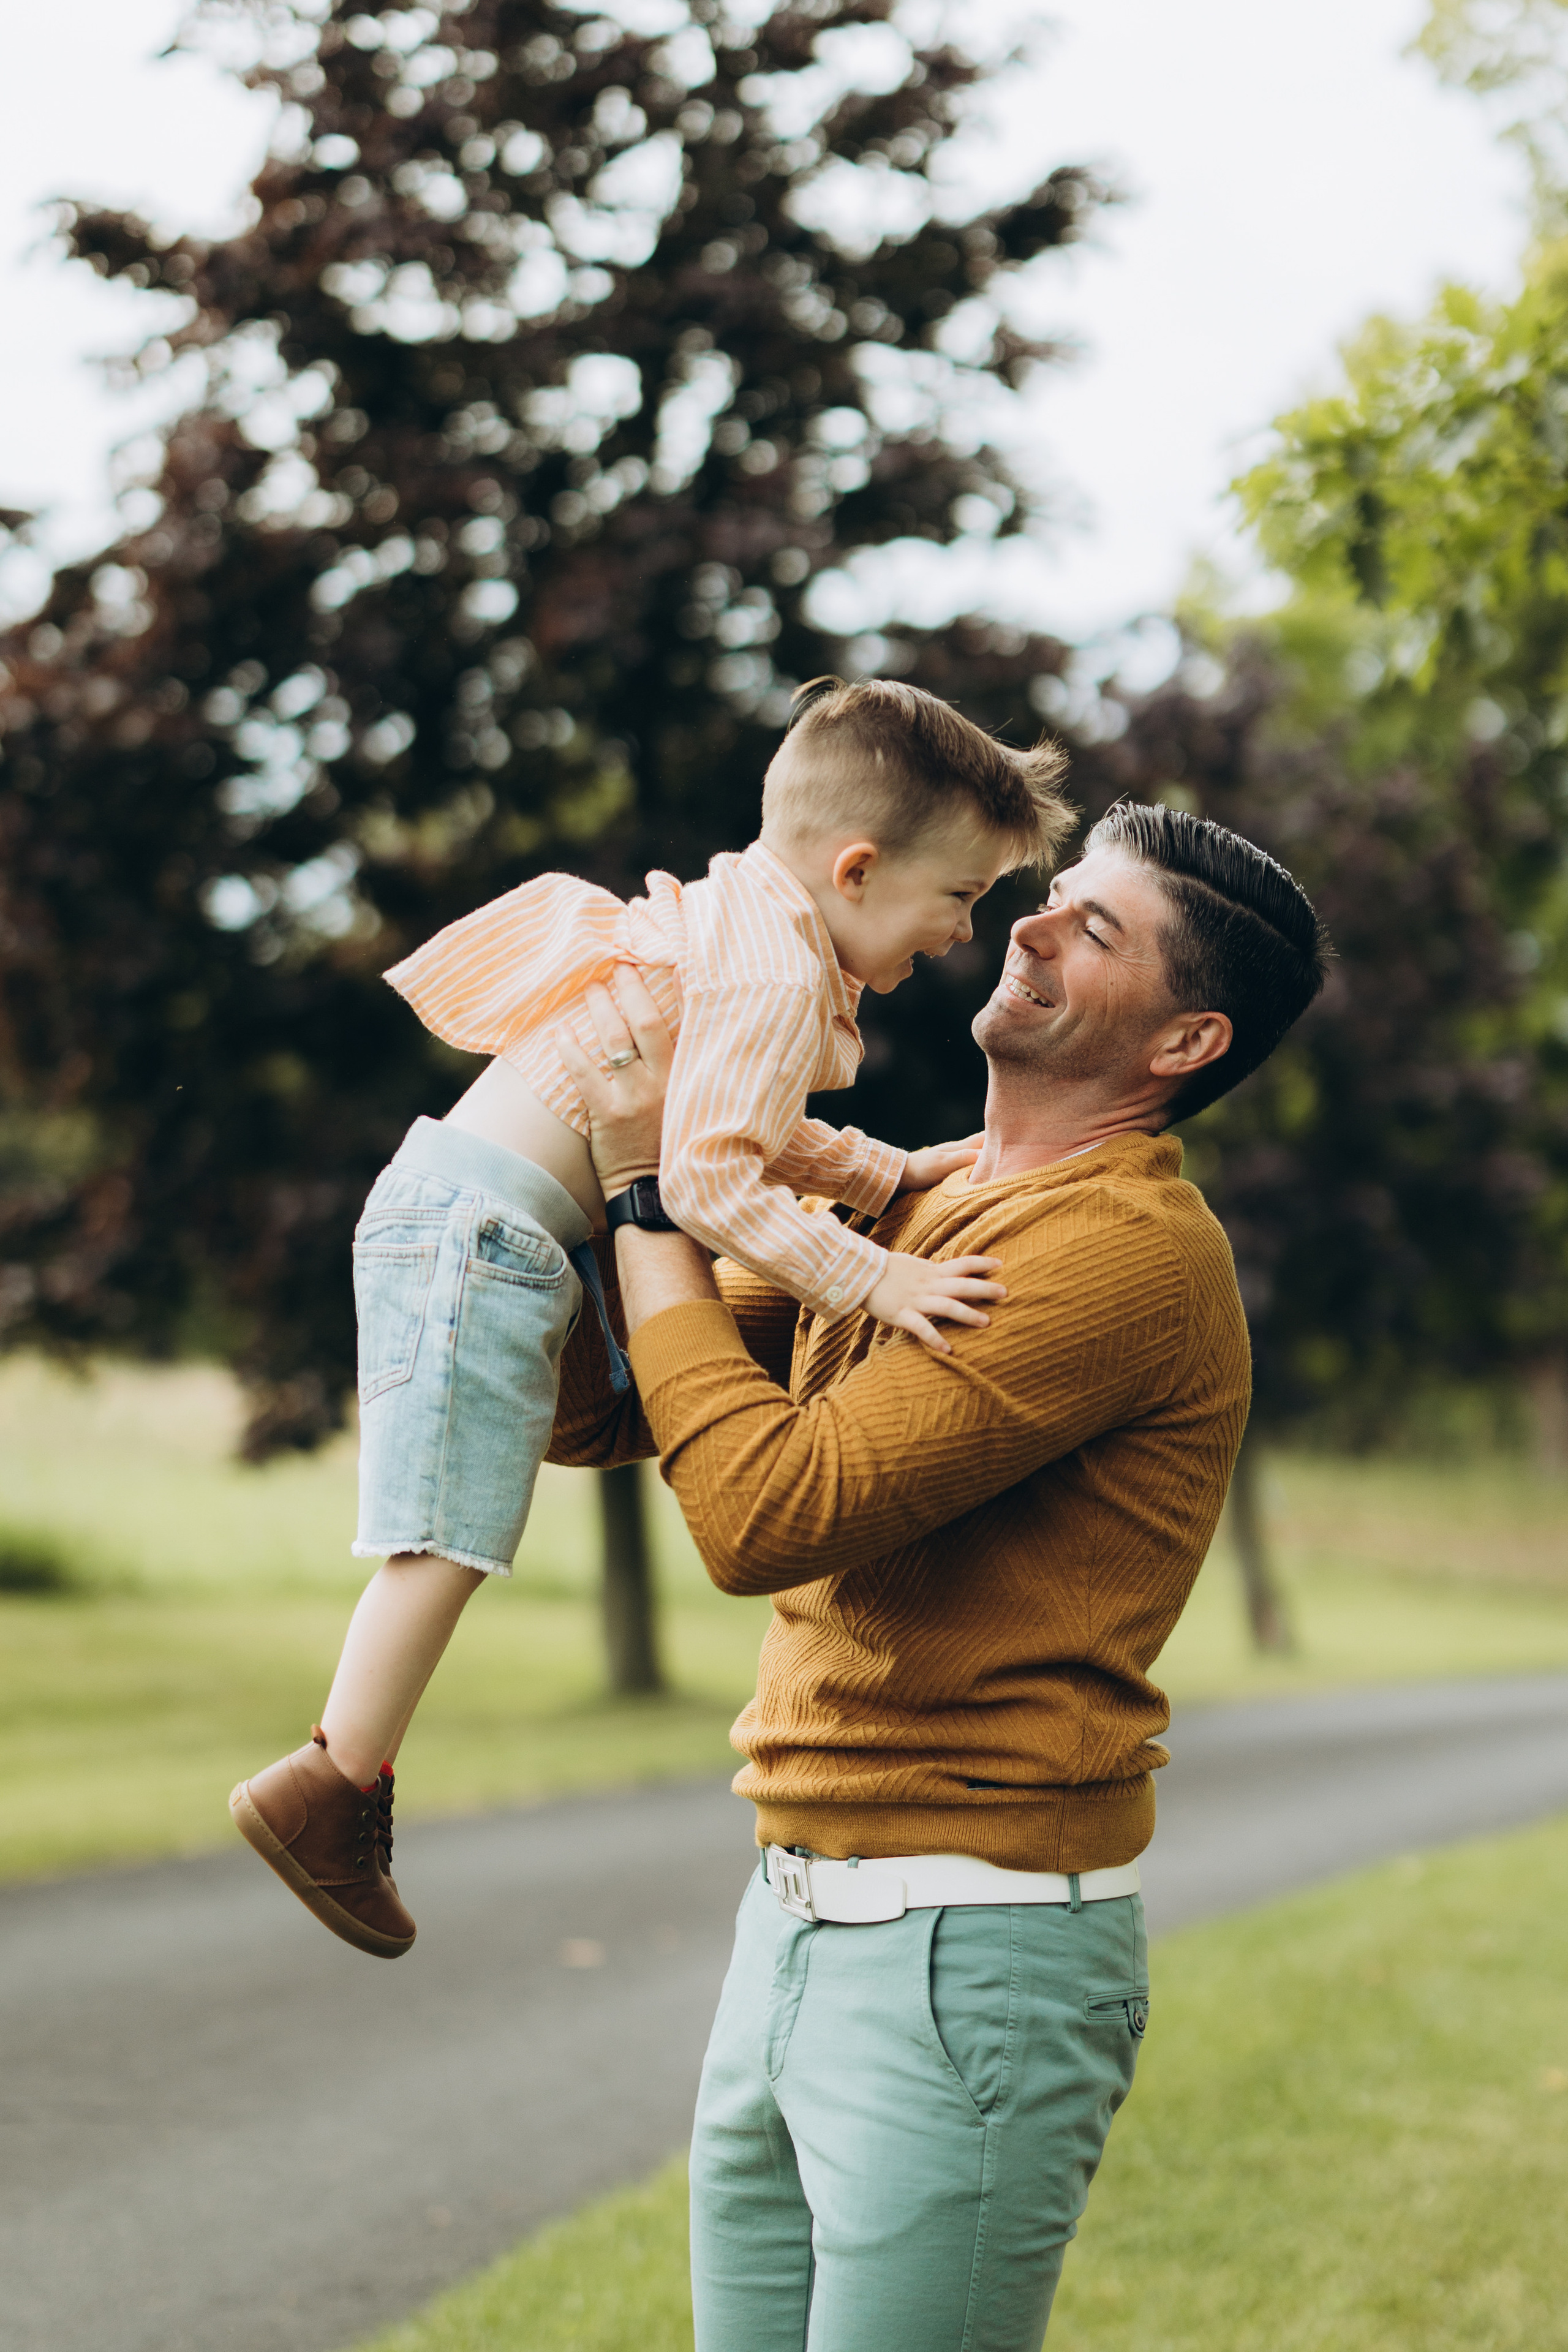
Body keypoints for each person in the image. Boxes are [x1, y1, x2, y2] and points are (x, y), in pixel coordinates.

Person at [547, 801, 1330, 2352]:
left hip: (966, 1961)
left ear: (1184, 1043)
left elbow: (767, 1510)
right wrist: (542, 1168)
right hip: (789, 1920)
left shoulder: (1115, 1254)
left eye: (1090, 928)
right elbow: (612, 1402)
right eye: (1049, 899)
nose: (1026, 924)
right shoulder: (918, 1196)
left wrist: (653, 1198)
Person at [228, 679, 1072, 1958]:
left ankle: (336, 1778)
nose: (962, 936)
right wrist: (874, 1275)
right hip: (486, 1237)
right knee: (446, 1538)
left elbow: (733, 1119)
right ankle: (331, 1788)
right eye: (958, 899)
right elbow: (709, 1180)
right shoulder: (778, 977)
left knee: (576, 1446)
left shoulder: (749, 933)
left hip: (481, 1220)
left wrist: (878, 1172)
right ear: (854, 869)